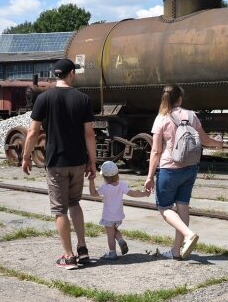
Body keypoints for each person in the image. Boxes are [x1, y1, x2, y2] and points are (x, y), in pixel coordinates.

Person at [22, 58, 96, 270]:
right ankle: (83, 250)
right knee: (74, 203)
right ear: (71, 73)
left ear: (56, 75)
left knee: (59, 210)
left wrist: (26, 157)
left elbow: (33, 132)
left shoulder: (44, 99)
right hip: (78, 161)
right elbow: (89, 134)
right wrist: (92, 161)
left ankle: (68, 256)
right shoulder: (82, 99)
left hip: (56, 162)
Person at [144, 84, 223, 260]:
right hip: (190, 168)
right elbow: (204, 140)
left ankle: (188, 234)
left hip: (169, 169)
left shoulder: (161, 118)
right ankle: (176, 251)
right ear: (179, 98)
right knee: (183, 207)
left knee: (164, 207)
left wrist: (149, 177)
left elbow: (156, 151)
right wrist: (218, 143)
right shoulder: (191, 115)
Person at [88, 160, 149, 260]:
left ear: (104, 176)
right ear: (117, 174)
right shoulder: (122, 185)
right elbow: (133, 193)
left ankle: (112, 253)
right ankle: (120, 240)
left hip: (108, 217)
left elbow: (93, 194)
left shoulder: (105, 187)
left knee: (110, 235)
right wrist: (144, 194)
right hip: (119, 216)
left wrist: (91, 181)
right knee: (115, 230)